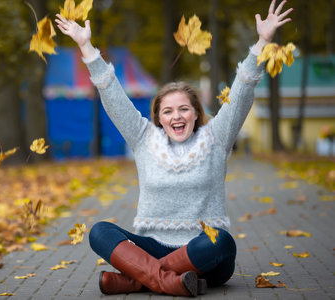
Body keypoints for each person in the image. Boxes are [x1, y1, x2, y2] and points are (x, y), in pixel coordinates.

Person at [55, 0, 292, 297]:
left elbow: (242, 93)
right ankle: (170, 282)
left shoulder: (216, 137)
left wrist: (262, 43)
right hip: (151, 247)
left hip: (204, 252)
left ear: (196, 113)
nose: (176, 116)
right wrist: (86, 48)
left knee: (222, 241)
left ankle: (136, 281)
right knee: (100, 231)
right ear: (158, 118)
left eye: (184, 109)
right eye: (168, 111)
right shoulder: (143, 138)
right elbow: (111, 93)